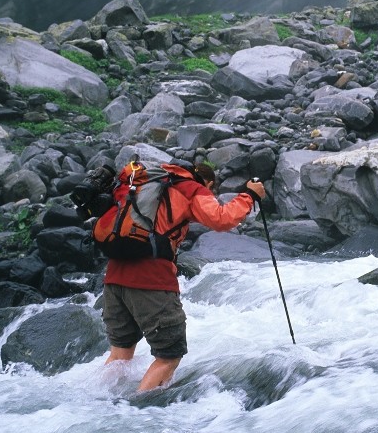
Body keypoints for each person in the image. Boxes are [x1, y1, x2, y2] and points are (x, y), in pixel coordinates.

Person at [101, 162, 265, 391]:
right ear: (207, 183)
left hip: (114, 277)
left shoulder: (145, 184)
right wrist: (249, 196)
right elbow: (221, 218)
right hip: (151, 280)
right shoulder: (190, 189)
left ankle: (97, 399)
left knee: (121, 351)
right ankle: (133, 415)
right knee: (169, 356)